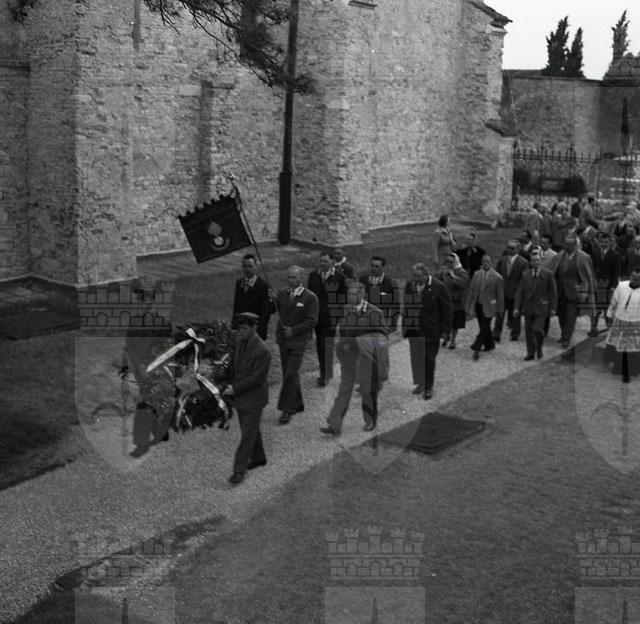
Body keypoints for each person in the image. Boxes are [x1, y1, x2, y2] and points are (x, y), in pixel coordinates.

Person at [321, 282, 388, 436]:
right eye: (349, 294)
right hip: (349, 358)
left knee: (367, 390)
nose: (350, 297)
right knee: (344, 389)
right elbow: (343, 331)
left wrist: (362, 342)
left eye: (353, 294)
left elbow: (383, 337)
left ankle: (370, 420)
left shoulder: (375, 312)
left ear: (361, 294)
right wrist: (343, 346)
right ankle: (335, 424)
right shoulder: (345, 310)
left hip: (366, 358)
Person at [224, 313, 271, 485]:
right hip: (241, 397)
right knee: (249, 430)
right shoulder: (239, 341)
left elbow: (256, 379)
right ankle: (258, 457)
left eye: (244, 328)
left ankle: (239, 471)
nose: (241, 331)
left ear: (254, 327)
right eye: (240, 328)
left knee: (247, 435)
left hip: (254, 399)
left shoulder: (262, 350)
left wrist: (234, 389)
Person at [268, 265, 319, 425]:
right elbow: (273, 310)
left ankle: (287, 409)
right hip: (284, 340)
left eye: (294, 277)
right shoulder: (282, 293)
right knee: (289, 373)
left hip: (298, 341)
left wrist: (294, 330)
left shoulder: (310, 297)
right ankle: (297, 403)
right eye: (289, 277)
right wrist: (272, 300)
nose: (290, 280)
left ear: (301, 278)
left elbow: (312, 321)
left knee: (290, 373)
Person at [403, 263, 453, 399]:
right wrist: (406, 326)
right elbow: (407, 307)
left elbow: (447, 310)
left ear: (426, 275)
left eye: (419, 276)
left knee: (428, 358)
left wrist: (445, 331)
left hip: (431, 330)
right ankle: (420, 382)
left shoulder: (439, 287)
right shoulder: (410, 286)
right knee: (416, 358)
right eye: (414, 276)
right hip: (414, 330)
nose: (416, 279)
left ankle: (428, 386)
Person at [547, 234, 596, 349]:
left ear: (575, 245)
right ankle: (564, 334)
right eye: (565, 244)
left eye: (569, 245)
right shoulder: (559, 256)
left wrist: (584, 290)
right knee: (561, 314)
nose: (566, 247)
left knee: (571, 316)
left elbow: (587, 276)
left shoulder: (583, 257)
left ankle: (566, 338)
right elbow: (552, 272)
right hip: (560, 291)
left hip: (574, 292)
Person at [307, 251, 347, 387]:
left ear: (332, 262)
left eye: (325, 261)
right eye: (321, 261)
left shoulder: (340, 277)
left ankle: (325, 375)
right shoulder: (313, 275)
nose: (322, 263)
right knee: (319, 344)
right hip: (316, 317)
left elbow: (343, 299)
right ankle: (324, 371)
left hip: (330, 319)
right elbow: (309, 296)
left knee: (326, 345)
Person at [514, 253, 557, 360]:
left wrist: (553, 308)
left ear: (540, 261)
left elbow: (553, 293)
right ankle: (530, 353)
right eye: (534, 260)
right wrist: (516, 307)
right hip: (528, 307)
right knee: (528, 332)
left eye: (537, 260)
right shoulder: (525, 274)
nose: (536, 262)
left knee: (537, 329)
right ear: (530, 262)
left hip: (541, 308)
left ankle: (539, 347)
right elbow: (520, 291)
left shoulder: (548, 274)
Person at [604, 270, 640, 383]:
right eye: (633, 277)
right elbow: (614, 302)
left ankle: (628, 372)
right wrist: (609, 315)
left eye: (637, 279)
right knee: (619, 346)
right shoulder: (622, 286)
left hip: (635, 323)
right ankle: (618, 369)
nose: (634, 281)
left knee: (631, 349)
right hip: (620, 320)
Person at [466, 255, 504, 360]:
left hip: (490, 306)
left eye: (488, 262)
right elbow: (472, 290)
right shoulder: (477, 274)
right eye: (484, 262)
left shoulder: (497, 277)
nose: (486, 264)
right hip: (479, 304)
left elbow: (500, 295)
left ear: (491, 263)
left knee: (484, 327)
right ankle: (489, 344)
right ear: (481, 263)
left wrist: (500, 309)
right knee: (484, 327)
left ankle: (477, 347)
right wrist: (468, 305)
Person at [231, 253, 271, 341]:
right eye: (245, 266)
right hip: (241, 329)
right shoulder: (239, 283)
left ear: (256, 267)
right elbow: (236, 307)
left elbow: (265, 311)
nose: (247, 269)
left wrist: (259, 330)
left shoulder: (262, 285)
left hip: (255, 330)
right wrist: (234, 326)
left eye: (250, 266)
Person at [494, 239, 528, 342]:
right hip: (503, 291)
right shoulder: (503, 260)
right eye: (508, 248)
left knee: (515, 314)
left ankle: (515, 333)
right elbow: (497, 274)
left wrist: (520, 292)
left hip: (515, 292)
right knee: (500, 313)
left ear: (518, 249)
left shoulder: (523, 262)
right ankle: (496, 333)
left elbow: (524, 279)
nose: (509, 250)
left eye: (512, 248)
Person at [590, 232, 622, 337]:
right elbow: (592, 269)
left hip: (608, 286)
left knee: (608, 308)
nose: (604, 244)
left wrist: (613, 286)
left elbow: (616, 272)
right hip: (597, 285)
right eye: (602, 242)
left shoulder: (615, 255)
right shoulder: (594, 253)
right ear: (599, 242)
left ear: (610, 242)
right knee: (595, 308)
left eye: (606, 242)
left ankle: (610, 328)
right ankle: (593, 328)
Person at [359, 255, 400, 331]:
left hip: (381, 324)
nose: (373, 268)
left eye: (377, 266)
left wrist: (392, 326)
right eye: (372, 265)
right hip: (364, 322)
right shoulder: (363, 280)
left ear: (383, 267)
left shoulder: (390, 283)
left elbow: (396, 306)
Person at [437, 253, 469, 349]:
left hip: (456, 301)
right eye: (447, 261)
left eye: (451, 262)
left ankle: (453, 340)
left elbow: (464, 285)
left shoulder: (462, 272)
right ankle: (446, 336)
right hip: (445, 301)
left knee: (455, 323)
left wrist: (453, 276)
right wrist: (441, 275)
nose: (449, 264)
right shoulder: (443, 271)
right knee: (445, 320)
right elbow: (437, 283)